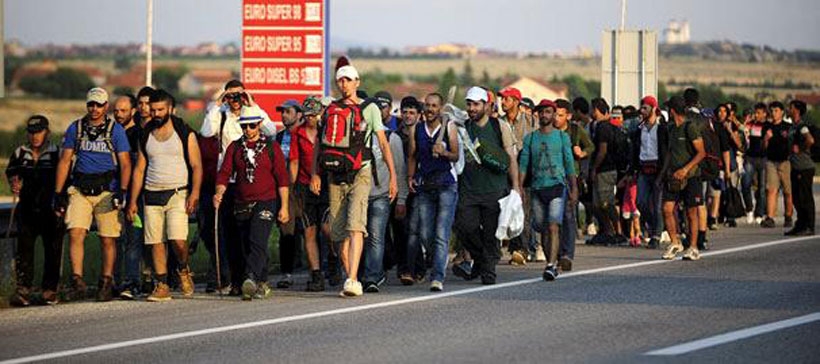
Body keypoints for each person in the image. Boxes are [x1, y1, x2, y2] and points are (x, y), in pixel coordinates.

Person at [310, 58, 398, 297]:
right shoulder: (331, 109)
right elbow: (319, 143)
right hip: (335, 174)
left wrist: (392, 178)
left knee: (356, 226)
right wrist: (314, 173)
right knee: (337, 233)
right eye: (340, 80)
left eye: (348, 79)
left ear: (357, 82)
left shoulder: (369, 108)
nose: (344, 84)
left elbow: (383, 142)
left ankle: (350, 279)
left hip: (361, 172)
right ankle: (354, 278)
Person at [53, 87, 132, 302]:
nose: (94, 109)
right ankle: (77, 280)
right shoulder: (76, 128)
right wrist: (58, 192)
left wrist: (123, 191)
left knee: (108, 238)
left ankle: (106, 281)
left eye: (98, 105)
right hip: (80, 188)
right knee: (76, 232)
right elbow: (65, 160)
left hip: (107, 190)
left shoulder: (115, 131)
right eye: (91, 104)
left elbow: (125, 163)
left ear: (106, 106)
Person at [200, 79, 277, 295]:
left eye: (238, 95)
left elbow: (270, 131)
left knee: (255, 233)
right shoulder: (221, 114)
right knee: (232, 235)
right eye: (231, 96)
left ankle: (259, 278)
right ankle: (236, 280)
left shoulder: (252, 114)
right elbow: (206, 131)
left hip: (252, 181)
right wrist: (217, 103)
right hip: (228, 180)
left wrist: (251, 104)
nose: (235, 100)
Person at [127, 89, 202, 301]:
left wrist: (194, 193)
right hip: (151, 194)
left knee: (178, 241)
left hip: (178, 192)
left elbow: (196, 165)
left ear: (169, 108)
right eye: (153, 110)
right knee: (155, 242)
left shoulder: (184, 132)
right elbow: (139, 169)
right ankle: (162, 285)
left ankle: (183, 268)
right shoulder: (145, 133)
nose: (156, 114)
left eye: (160, 110)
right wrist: (132, 200)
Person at [214, 106, 291, 301]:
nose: (248, 129)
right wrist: (219, 192)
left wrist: (284, 207)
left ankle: (249, 277)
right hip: (241, 201)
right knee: (248, 244)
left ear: (259, 125)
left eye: (252, 125)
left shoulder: (271, 148)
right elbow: (225, 173)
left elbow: (282, 179)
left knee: (258, 239)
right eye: (244, 126)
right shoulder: (235, 147)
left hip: (267, 200)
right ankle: (262, 282)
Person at [452, 86, 520, 285]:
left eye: (476, 104)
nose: (472, 108)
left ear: (487, 105)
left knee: (491, 233)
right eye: (469, 104)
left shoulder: (500, 127)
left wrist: (516, 186)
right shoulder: (462, 127)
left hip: (495, 190)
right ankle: (482, 260)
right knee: (466, 228)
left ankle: (488, 271)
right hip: (469, 190)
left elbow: (511, 158)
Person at [6, 115, 64, 306]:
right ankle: (23, 291)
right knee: (24, 250)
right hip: (27, 209)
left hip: (51, 209)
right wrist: (14, 182)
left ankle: (50, 290)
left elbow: (65, 177)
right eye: (31, 133)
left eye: (38, 132)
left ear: (46, 132)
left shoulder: (57, 152)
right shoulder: (20, 152)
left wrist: (61, 204)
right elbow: (11, 172)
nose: (35, 137)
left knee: (53, 250)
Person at [405, 92, 459, 291]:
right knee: (426, 234)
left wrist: (444, 152)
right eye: (427, 105)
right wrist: (410, 178)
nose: (430, 109)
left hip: (446, 185)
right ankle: (438, 259)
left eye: (434, 106)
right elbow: (412, 156)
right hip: (425, 185)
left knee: (441, 233)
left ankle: (437, 276)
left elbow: (456, 155)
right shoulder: (416, 130)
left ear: (440, 108)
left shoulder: (449, 128)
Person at [520, 99, 577, 280]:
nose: (544, 115)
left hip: (557, 187)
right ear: (537, 115)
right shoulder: (531, 138)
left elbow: (569, 164)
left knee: (553, 225)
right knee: (541, 226)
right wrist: (519, 187)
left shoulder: (562, 137)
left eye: (548, 112)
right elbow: (523, 164)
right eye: (541, 112)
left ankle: (551, 265)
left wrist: (573, 188)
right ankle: (551, 259)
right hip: (537, 188)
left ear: (553, 114)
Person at [362, 93, 408, 292]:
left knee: (376, 236)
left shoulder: (391, 137)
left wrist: (401, 199)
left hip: (381, 194)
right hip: (361, 194)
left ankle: (373, 276)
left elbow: (399, 170)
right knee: (360, 236)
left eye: (381, 109)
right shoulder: (358, 136)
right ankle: (360, 273)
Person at [289, 96, 329, 291]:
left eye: (314, 114)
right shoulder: (297, 133)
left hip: (327, 186)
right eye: (308, 115)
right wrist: (292, 187)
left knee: (328, 228)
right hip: (305, 186)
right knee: (309, 231)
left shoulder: (327, 131)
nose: (311, 118)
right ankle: (316, 273)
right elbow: (294, 161)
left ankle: (334, 258)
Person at [660, 96, 706, 261]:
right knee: (667, 209)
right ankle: (675, 242)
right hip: (673, 177)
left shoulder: (690, 127)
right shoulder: (671, 129)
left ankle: (693, 247)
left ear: (672, 111)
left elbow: (701, 152)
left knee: (691, 212)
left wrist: (685, 169)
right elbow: (669, 153)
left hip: (691, 176)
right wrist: (663, 174)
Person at [498, 87, 537, 265]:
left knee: (524, 210)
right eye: (501, 99)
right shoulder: (497, 122)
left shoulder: (531, 122)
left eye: (506, 99)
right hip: (504, 171)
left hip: (526, 172)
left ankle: (522, 249)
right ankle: (514, 247)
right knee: (506, 209)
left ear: (515, 101)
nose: (502, 102)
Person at [553, 99, 593, 270]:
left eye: (560, 115)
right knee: (552, 218)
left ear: (568, 116)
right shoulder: (548, 130)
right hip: (551, 178)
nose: (555, 118)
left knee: (568, 217)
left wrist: (582, 152)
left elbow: (590, 146)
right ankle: (554, 253)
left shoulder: (576, 130)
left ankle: (567, 255)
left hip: (571, 178)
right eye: (554, 114)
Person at [111, 94, 144, 299]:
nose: (119, 114)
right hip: (111, 193)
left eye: (123, 111)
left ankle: (133, 282)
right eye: (116, 111)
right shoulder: (109, 132)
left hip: (134, 196)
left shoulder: (138, 134)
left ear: (133, 111)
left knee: (133, 239)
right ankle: (112, 282)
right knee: (113, 239)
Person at [274, 99, 303, 289]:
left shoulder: (304, 135)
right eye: (282, 112)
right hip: (284, 188)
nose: (284, 115)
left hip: (303, 187)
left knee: (311, 231)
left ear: (299, 115)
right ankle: (287, 272)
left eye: (288, 111)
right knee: (286, 230)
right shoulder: (278, 138)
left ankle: (324, 269)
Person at [632, 96, 667, 249]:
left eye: (645, 108)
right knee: (641, 201)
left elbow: (666, 153)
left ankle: (656, 235)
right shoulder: (639, 130)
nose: (642, 110)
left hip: (657, 169)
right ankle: (654, 226)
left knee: (657, 205)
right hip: (643, 169)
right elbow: (634, 151)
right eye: (642, 107)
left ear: (653, 109)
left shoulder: (661, 129)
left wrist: (663, 173)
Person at [589, 98, 620, 244]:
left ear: (596, 110)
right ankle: (608, 231)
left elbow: (602, 150)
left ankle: (617, 232)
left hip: (605, 170)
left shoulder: (603, 127)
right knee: (598, 204)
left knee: (605, 203)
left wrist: (594, 168)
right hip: (606, 169)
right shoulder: (605, 126)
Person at [761, 101, 793, 229]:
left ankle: (788, 216)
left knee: (787, 190)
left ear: (782, 112)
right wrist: (766, 139)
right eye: (772, 111)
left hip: (785, 161)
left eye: (776, 111)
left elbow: (792, 145)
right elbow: (764, 147)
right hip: (771, 161)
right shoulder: (767, 126)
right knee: (771, 189)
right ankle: (770, 217)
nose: (774, 114)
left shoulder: (788, 127)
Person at [785, 100, 815, 236]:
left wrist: (800, 149)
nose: (788, 109)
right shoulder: (793, 127)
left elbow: (810, 140)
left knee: (805, 197)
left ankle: (809, 226)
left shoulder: (802, 126)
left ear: (796, 110)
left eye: (790, 108)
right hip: (795, 167)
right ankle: (800, 224)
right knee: (797, 198)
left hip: (804, 167)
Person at [742, 103, 769, 225]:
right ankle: (749, 209)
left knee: (762, 189)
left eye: (759, 113)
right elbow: (742, 131)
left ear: (764, 113)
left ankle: (760, 213)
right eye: (755, 113)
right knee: (745, 184)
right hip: (750, 158)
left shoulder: (768, 125)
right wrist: (746, 122)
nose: (756, 115)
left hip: (763, 159)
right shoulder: (751, 124)